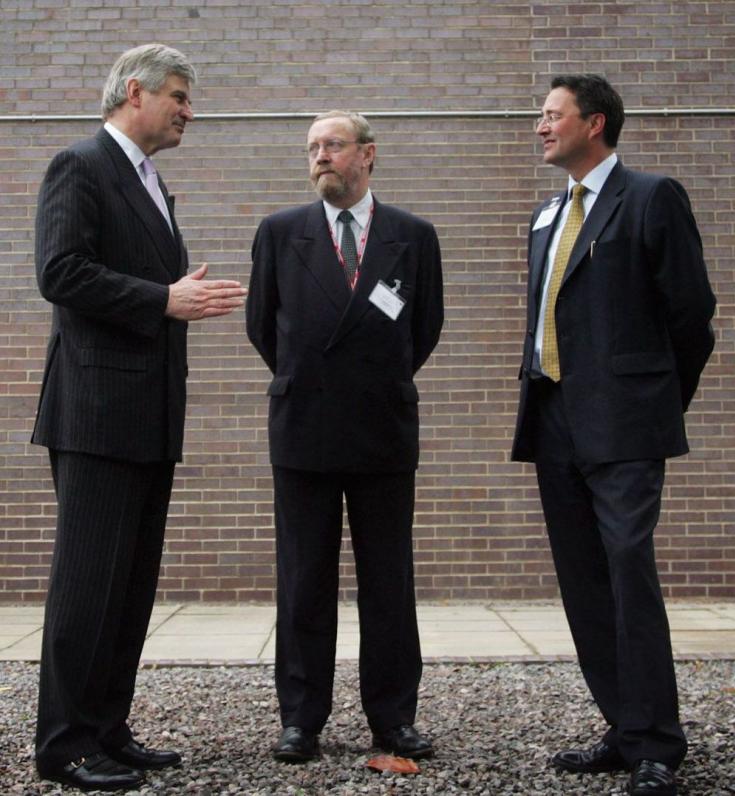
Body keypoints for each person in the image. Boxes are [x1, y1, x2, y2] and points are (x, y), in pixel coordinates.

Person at [32, 43, 247, 792]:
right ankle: (63, 745)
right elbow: (59, 272)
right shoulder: (81, 165)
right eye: (181, 96)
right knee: (88, 584)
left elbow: (121, 276)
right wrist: (163, 299)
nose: (190, 110)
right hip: (95, 415)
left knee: (130, 586)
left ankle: (107, 729)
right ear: (136, 92)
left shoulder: (151, 181)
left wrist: (170, 286)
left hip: (150, 416)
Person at [511, 74, 715, 796]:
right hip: (554, 421)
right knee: (585, 586)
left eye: (551, 115)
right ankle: (624, 731)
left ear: (593, 123)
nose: (540, 126)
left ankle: (659, 742)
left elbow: (693, 315)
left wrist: (655, 404)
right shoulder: (545, 214)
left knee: (628, 575)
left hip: (625, 425)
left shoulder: (651, 197)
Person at [246, 110, 443, 763]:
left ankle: (394, 717)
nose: (319, 156)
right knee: (304, 579)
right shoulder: (280, 233)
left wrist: (371, 377)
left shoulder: (413, 237)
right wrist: (311, 377)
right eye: (311, 147)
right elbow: (262, 329)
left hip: (383, 426)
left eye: (332, 145)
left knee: (389, 579)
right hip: (304, 425)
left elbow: (425, 329)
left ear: (368, 154)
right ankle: (301, 717)